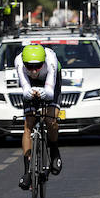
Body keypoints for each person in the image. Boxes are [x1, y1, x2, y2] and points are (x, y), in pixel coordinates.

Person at [14, 44, 63, 190]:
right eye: (29, 67)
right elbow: (25, 88)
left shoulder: (51, 60)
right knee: (28, 123)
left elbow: (50, 91)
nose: (34, 70)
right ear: (23, 63)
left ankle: (54, 150)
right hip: (31, 84)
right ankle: (28, 171)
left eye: (38, 66)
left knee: (50, 120)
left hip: (51, 82)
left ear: (44, 62)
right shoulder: (18, 62)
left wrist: (42, 93)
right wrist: (30, 92)